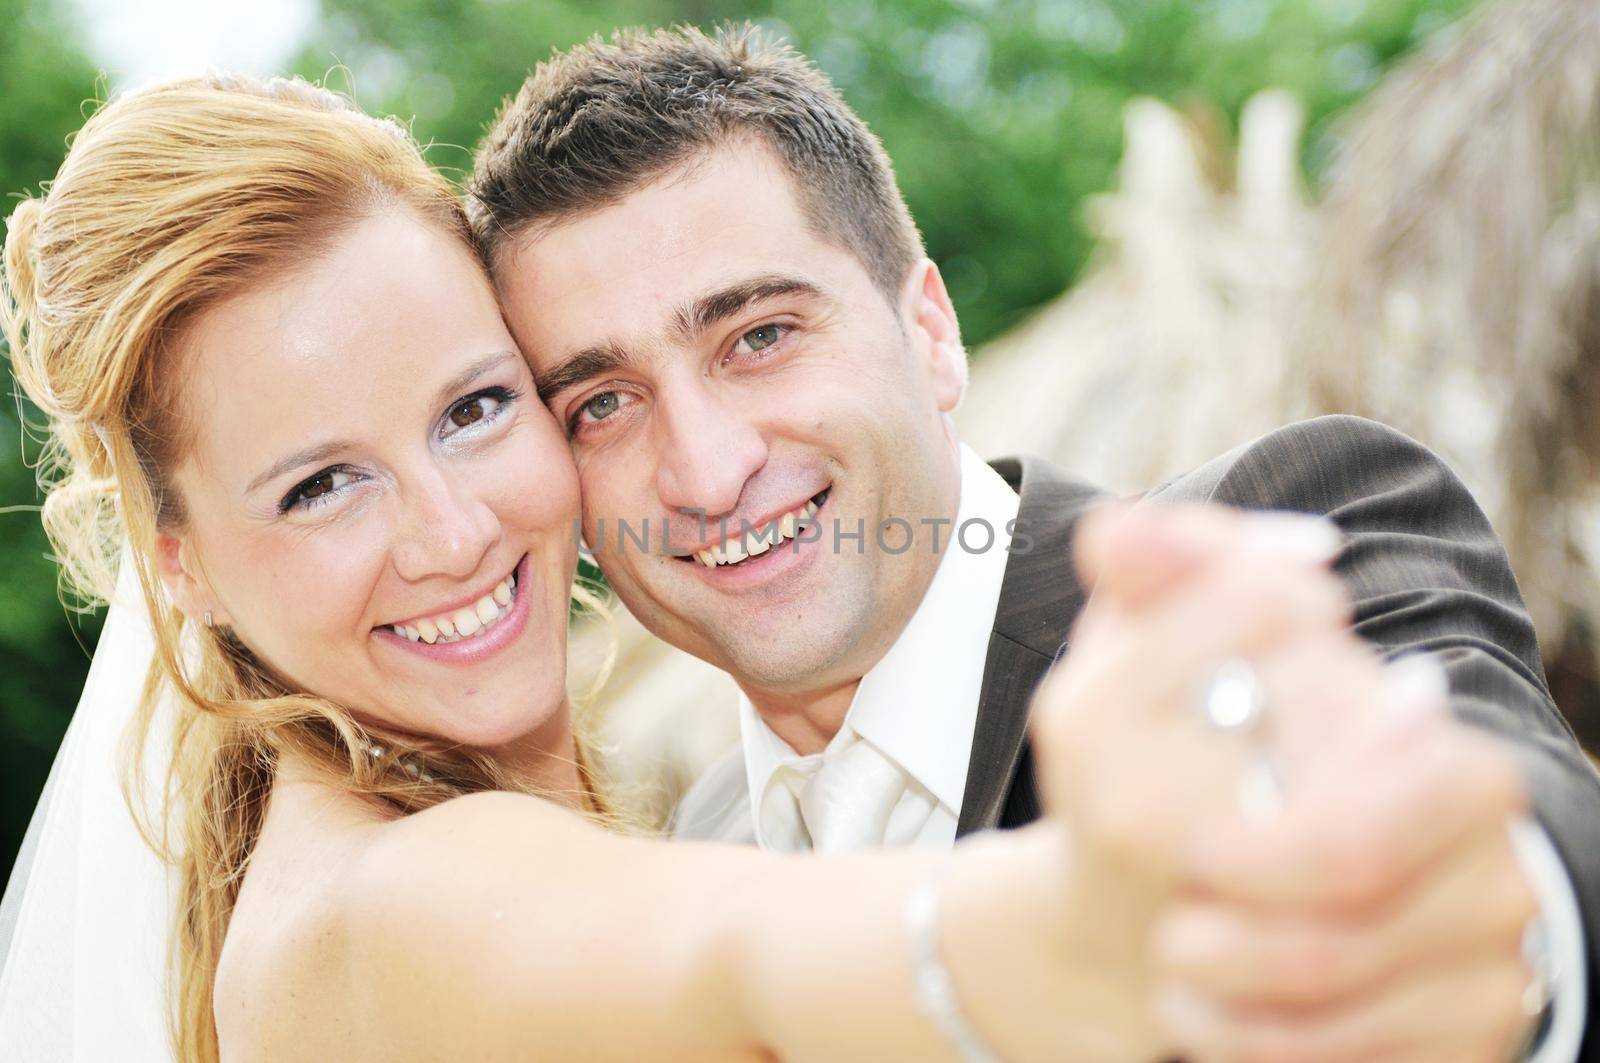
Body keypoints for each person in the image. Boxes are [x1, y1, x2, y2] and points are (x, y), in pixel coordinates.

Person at [0, 70, 1404, 1063]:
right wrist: (1113, 909)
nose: (453, 532)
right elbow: (744, 954)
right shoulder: (398, 900)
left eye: (476, 408)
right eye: (320, 485)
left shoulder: (660, 816)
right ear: (176, 568)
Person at [469, 25, 1600, 1061]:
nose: (707, 470)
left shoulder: (1270, 544)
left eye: (759, 335)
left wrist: (1493, 925)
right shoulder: (691, 858)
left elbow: (1499, 798)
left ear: (929, 334)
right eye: (602, 405)